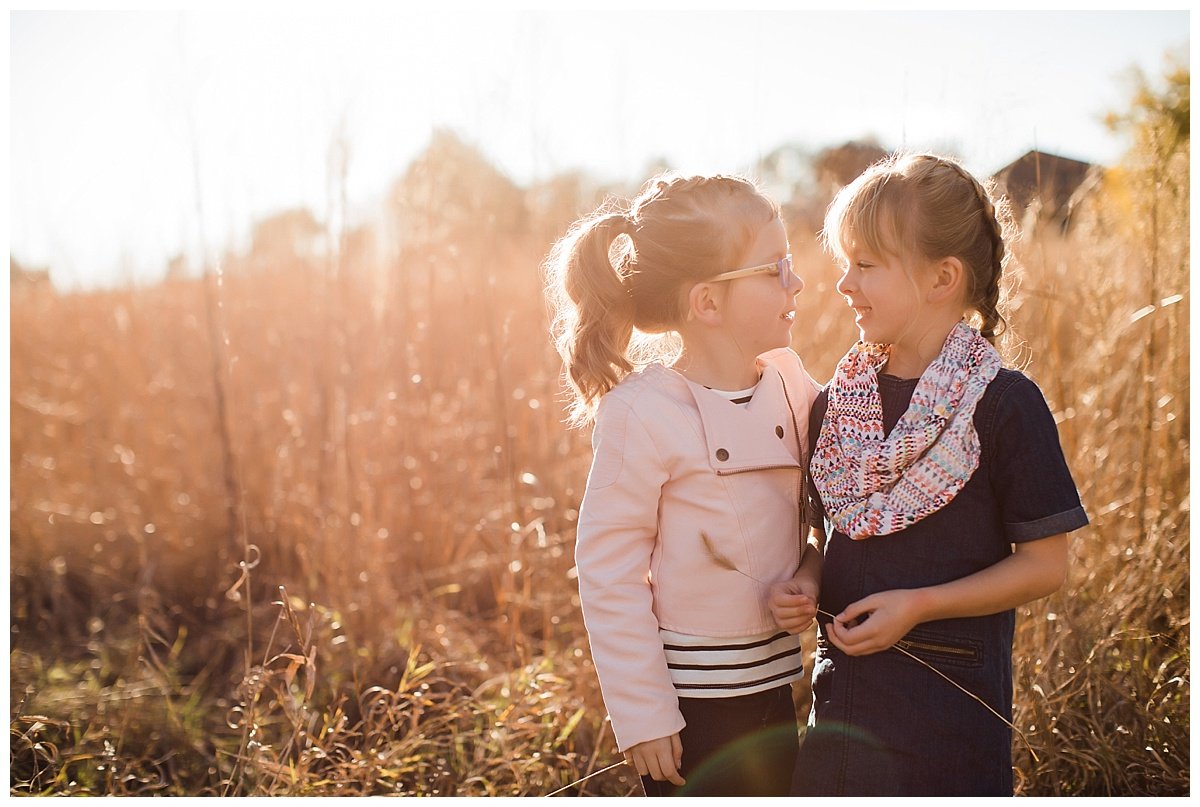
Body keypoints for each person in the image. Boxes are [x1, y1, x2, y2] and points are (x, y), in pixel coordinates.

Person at [771, 152, 1089, 795]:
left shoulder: (1003, 404)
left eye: (865, 265)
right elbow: (825, 534)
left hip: (949, 711)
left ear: (942, 277)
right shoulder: (836, 404)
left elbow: (1045, 565)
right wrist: (806, 579)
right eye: (844, 264)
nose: (844, 285)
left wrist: (921, 605)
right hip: (841, 708)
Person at [542, 173, 823, 796]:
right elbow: (607, 569)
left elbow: (826, 515)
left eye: (791, 263)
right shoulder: (641, 410)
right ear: (708, 303)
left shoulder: (791, 383)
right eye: (773, 268)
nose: (795, 282)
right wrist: (643, 715)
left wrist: (809, 574)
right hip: (688, 708)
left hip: (780, 687)